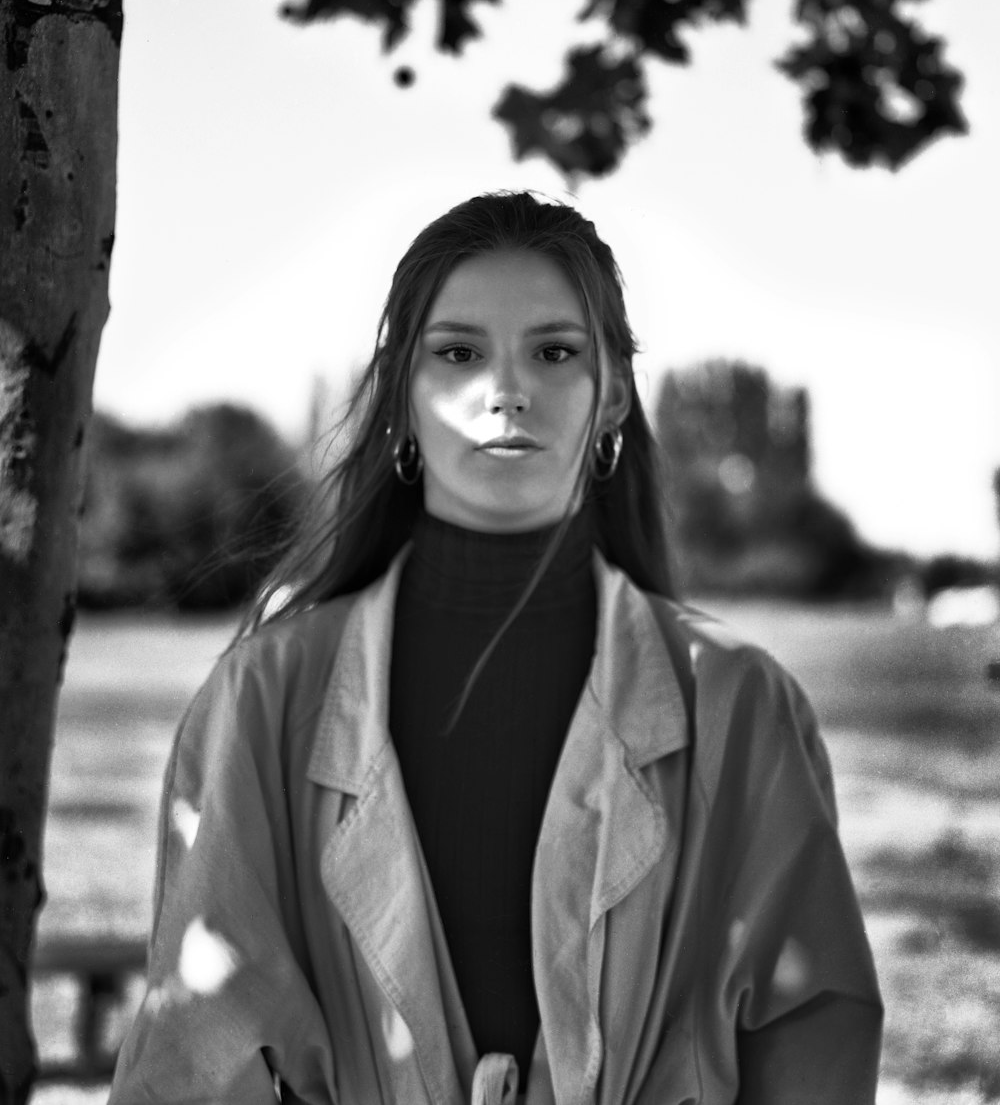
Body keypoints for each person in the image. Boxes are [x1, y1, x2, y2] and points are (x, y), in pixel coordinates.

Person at [108, 190, 882, 1105]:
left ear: (614, 397)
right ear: (402, 394)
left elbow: (810, 1036)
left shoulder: (739, 703)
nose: (506, 390)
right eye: (458, 353)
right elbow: (199, 1052)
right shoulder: (265, 696)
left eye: (554, 352)